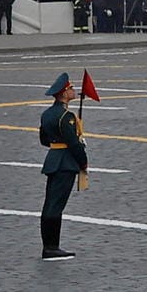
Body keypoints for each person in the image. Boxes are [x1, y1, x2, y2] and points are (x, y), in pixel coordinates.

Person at [38, 73, 88, 260]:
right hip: (65, 162)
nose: (74, 91)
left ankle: (49, 246)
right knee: (56, 206)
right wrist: (83, 161)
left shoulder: (47, 114)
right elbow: (74, 144)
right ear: (63, 93)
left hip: (53, 159)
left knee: (49, 204)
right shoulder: (66, 116)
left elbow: (44, 139)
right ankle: (51, 247)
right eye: (71, 89)